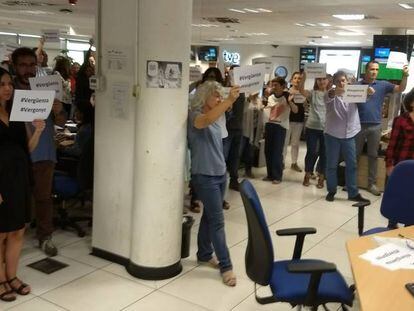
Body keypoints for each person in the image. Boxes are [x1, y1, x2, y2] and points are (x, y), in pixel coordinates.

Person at [11, 47, 67, 256]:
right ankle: (11, 239)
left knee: (43, 198)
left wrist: (58, 109)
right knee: (14, 199)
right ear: (15, 66)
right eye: (23, 65)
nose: (28, 69)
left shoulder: (46, 89)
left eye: (31, 64)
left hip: (44, 153)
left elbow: (60, 122)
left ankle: (45, 237)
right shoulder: (8, 91)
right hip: (17, 156)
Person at [187, 81, 240, 286]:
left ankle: (204, 253)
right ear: (204, 96)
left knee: (210, 217)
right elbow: (204, 121)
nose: (219, 99)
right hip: (204, 175)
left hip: (220, 174)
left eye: (220, 95)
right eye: (215, 96)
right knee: (218, 222)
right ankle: (226, 266)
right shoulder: (194, 115)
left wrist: (225, 103)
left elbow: (216, 128)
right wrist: (227, 100)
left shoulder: (219, 116)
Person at [0, 68, 45, 302]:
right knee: (0, 234)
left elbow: (25, 149)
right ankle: (0, 280)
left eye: (9, 83)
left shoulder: (15, 115)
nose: (7, 88)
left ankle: (12, 276)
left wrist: (37, 131)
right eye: (1, 85)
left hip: (19, 179)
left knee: (17, 230)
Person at [356, 61, 409, 196]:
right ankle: (352, 183)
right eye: (372, 69)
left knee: (373, 155)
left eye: (376, 69)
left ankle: (371, 184)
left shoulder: (382, 85)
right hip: (357, 125)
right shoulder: (356, 85)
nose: (374, 72)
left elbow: (400, 89)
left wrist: (405, 76)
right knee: (354, 155)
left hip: (375, 125)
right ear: (366, 70)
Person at [324, 71, 370, 203]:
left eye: (343, 80)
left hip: (350, 134)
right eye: (338, 81)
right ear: (333, 83)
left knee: (352, 165)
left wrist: (369, 92)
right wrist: (340, 90)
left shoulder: (353, 93)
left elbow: (366, 98)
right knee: (332, 165)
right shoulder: (329, 94)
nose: (341, 83)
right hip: (332, 134)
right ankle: (331, 191)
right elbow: (332, 94)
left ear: (347, 81)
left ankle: (353, 193)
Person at [385, 89, 414, 228]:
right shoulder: (401, 120)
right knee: (397, 199)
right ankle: (391, 226)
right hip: (400, 168)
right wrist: (389, 165)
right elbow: (392, 145)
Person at [263, 77, 298, 184]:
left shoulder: (287, 97)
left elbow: (295, 110)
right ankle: (270, 174)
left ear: (283, 86)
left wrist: (290, 102)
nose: (273, 87)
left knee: (277, 152)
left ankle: (277, 176)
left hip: (281, 127)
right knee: (268, 151)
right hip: (269, 125)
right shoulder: (270, 97)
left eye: (276, 85)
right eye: (272, 85)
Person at [298, 72, 329, 188]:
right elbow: (301, 90)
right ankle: (307, 174)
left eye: (324, 79)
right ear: (316, 81)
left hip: (327, 129)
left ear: (328, 81)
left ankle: (321, 177)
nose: (321, 81)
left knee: (324, 153)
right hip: (312, 127)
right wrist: (304, 78)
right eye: (319, 79)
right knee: (312, 151)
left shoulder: (330, 94)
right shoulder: (313, 93)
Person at [223, 65, 245, 192]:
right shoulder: (225, 90)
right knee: (224, 155)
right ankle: (221, 178)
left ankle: (234, 179)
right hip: (227, 128)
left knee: (235, 156)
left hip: (238, 127)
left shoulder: (242, 90)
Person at [283, 72, 305, 172]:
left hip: (299, 120)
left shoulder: (304, 92)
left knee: (295, 143)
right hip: (287, 120)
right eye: (295, 78)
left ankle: (294, 163)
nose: (297, 80)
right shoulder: (286, 92)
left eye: (299, 78)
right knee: (285, 142)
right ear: (291, 80)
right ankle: (281, 162)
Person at [241, 91, 264, 178]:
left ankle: (248, 171)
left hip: (255, 130)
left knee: (250, 152)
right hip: (245, 130)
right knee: (239, 151)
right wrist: (248, 100)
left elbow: (261, 113)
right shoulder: (246, 99)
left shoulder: (259, 100)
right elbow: (242, 111)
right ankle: (234, 172)